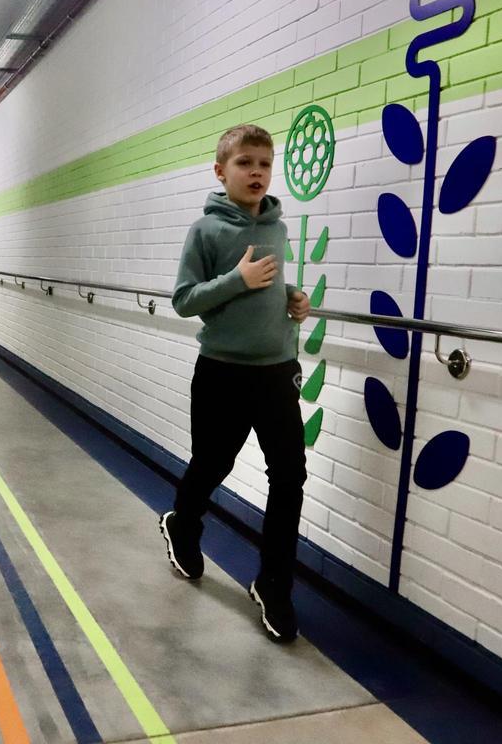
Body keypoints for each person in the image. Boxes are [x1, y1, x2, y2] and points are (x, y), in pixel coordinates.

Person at [159, 124, 311, 643]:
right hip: (222, 370)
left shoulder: (277, 227)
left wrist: (291, 297)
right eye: (245, 163)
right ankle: (184, 522)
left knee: (290, 475)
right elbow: (184, 300)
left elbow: (268, 285)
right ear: (221, 171)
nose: (257, 173)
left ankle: (273, 585)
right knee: (213, 463)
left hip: (275, 370)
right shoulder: (205, 232)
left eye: (265, 164)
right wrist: (236, 281)